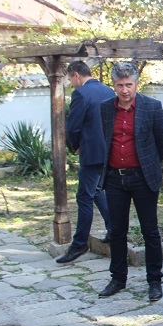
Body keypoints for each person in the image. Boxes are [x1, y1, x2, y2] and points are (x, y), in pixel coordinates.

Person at [96, 62, 163, 302]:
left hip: (142, 178)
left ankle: (154, 281)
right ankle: (118, 278)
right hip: (115, 179)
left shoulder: (151, 106)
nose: (125, 90)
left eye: (129, 84)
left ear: (136, 84)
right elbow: (106, 139)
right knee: (117, 231)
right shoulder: (106, 108)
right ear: (114, 85)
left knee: (150, 231)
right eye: (120, 85)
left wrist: (151, 167)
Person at [56, 60, 115, 264]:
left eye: (70, 79)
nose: (71, 84)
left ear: (76, 75)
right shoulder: (109, 90)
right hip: (109, 152)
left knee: (84, 197)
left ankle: (79, 244)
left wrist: (74, 146)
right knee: (97, 191)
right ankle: (113, 230)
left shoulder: (80, 93)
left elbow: (73, 126)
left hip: (91, 153)